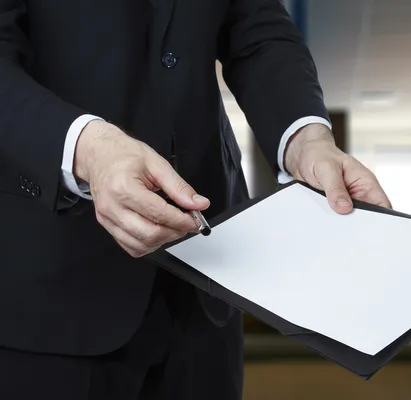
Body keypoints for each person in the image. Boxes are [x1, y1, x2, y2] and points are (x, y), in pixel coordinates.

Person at [0, 2, 391, 399]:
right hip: (48, 282)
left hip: (209, 271)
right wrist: (89, 148)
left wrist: (306, 138)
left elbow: (257, 30)